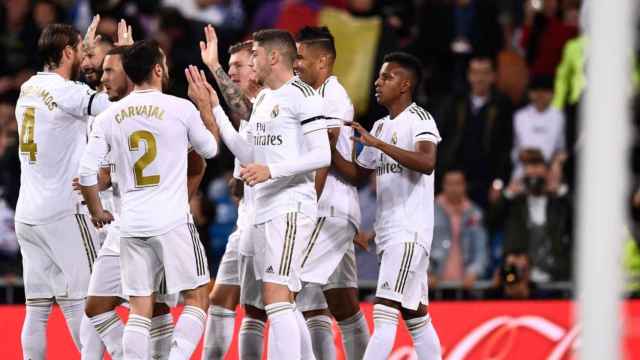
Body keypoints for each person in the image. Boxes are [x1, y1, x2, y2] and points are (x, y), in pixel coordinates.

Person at [78, 41, 220, 360]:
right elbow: (209, 151)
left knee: (140, 310)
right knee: (197, 298)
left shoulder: (108, 117)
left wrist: (97, 209)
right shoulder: (180, 108)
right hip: (171, 221)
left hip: (131, 224)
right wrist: (205, 109)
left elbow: (87, 173)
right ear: (158, 69)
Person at [212, 29, 331, 359]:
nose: (252, 62)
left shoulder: (303, 96)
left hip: (290, 207)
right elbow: (248, 152)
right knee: (278, 301)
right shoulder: (263, 99)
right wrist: (215, 110)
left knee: (276, 296)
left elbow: (323, 155)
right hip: (263, 209)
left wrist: (272, 170)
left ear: (274, 57)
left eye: (255, 55)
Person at [330, 52, 442, 359]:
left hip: (409, 234)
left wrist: (379, 145)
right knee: (416, 317)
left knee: (384, 312)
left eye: (386, 77)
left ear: (405, 85)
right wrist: (328, 145)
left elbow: (427, 161)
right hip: (391, 234)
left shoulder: (420, 119)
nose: (377, 82)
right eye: (379, 76)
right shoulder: (379, 126)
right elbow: (356, 173)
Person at [14, 23, 112, 358]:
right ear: (69, 52)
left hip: (28, 213)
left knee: (39, 307)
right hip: (64, 212)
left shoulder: (28, 87)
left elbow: (66, 89)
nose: (86, 55)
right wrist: (123, 59)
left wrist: (77, 52)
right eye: (80, 50)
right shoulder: (69, 94)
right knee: (91, 301)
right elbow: (115, 107)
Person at [293, 26, 370, 360]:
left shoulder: (331, 94)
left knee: (292, 290)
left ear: (322, 60)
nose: (296, 64)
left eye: (301, 57)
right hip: (338, 211)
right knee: (343, 302)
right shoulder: (309, 95)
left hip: (326, 211)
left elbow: (323, 153)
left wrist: (305, 206)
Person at [198, 25, 265, 359]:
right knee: (223, 299)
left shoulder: (271, 101)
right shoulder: (252, 112)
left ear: (258, 66)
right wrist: (239, 180)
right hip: (247, 220)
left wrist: (214, 69)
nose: (233, 72)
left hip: (276, 220)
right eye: (230, 66)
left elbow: (243, 109)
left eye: (238, 65)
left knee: (275, 308)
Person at [437, 55, 513, 211]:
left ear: (493, 76)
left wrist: (498, 183)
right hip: (452, 175)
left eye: (485, 73)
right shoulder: (455, 102)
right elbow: (440, 139)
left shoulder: (502, 105)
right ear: (469, 76)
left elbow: (505, 148)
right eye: (475, 73)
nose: (480, 78)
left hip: (485, 179)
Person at [492, 149, 573, 286]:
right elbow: (491, 221)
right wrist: (507, 195)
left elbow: (578, 223)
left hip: (557, 276)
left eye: (538, 176)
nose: (534, 181)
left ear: (547, 175)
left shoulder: (558, 203)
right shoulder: (515, 204)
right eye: (529, 176)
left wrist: (561, 192)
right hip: (521, 278)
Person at [431, 169, 488, 292]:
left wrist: (474, 272)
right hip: (434, 283)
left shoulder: (474, 213)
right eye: (450, 183)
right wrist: (427, 272)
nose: (454, 188)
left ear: (464, 186)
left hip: (466, 285)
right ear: (443, 185)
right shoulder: (429, 210)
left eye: (458, 183)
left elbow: (481, 248)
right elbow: (421, 245)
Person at [511, 75, 565, 180]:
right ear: (529, 93)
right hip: (522, 171)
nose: (540, 95)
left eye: (545, 91)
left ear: (553, 93)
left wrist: (553, 163)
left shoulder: (559, 116)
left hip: (549, 173)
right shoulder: (519, 116)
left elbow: (562, 149)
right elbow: (514, 149)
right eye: (536, 91)